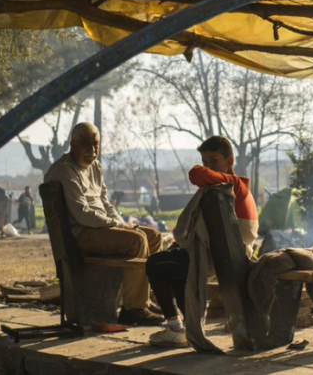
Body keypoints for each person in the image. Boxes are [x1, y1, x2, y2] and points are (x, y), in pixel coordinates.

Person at [45, 122, 164, 325]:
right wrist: (116, 225)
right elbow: (83, 214)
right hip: (83, 233)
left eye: (95, 144)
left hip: (102, 228)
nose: (92, 150)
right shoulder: (64, 171)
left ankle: (141, 300)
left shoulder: (96, 167)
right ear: (72, 144)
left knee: (154, 237)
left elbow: (105, 202)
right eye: (85, 144)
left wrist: (120, 223)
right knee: (137, 241)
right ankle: (132, 309)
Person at [145, 136, 259, 348]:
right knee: (173, 266)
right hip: (218, 254)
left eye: (214, 160)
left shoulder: (235, 185)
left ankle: (175, 328)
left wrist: (205, 170)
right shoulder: (219, 188)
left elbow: (196, 174)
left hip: (229, 257)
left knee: (155, 264)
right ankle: (185, 327)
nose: (209, 167)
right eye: (206, 161)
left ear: (230, 160)